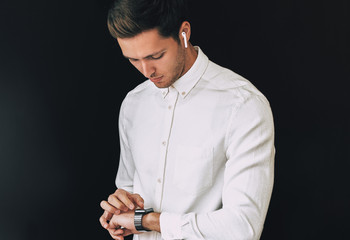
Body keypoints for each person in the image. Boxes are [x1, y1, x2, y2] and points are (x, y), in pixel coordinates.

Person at [99, 0, 275, 239]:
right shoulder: (134, 103)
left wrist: (148, 221)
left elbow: (243, 227)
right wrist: (120, 208)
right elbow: (128, 188)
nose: (146, 70)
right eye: (133, 59)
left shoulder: (242, 105)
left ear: (184, 33)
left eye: (156, 55)